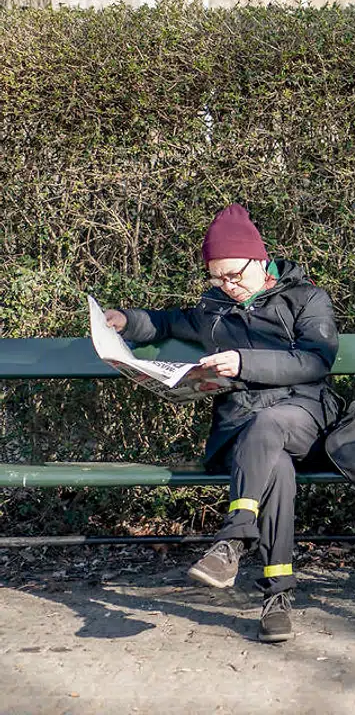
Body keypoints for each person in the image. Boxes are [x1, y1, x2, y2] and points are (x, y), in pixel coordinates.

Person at [104, 204, 340, 643]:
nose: (228, 286)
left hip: (302, 416)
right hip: (242, 431)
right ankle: (277, 599)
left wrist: (244, 362)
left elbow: (315, 360)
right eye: (218, 278)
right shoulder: (213, 308)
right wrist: (127, 321)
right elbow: (165, 322)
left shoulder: (305, 298)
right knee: (277, 471)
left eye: (235, 275)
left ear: (260, 259)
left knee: (269, 424)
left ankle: (233, 537)